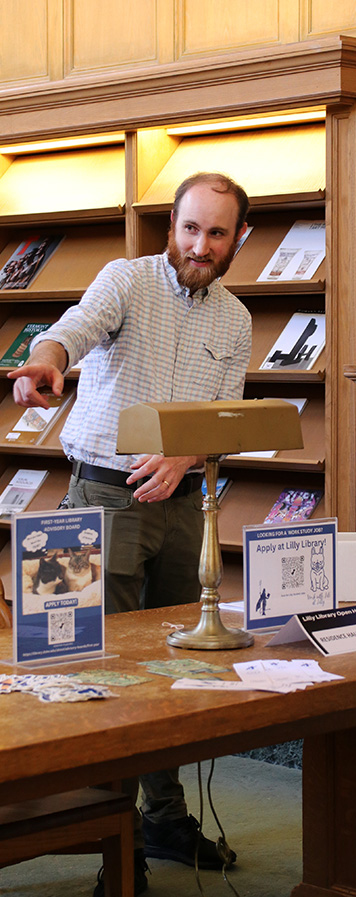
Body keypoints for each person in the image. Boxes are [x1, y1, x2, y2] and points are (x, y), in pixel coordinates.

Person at [9, 171, 252, 896]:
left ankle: (164, 817)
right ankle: (116, 838)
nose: (199, 245)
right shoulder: (126, 279)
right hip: (99, 495)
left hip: (183, 502)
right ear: (168, 228)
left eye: (216, 233)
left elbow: (226, 415)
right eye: (188, 228)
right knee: (94, 669)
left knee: (177, 664)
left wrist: (186, 455)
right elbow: (72, 329)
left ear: (238, 238)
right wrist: (45, 361)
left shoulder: (236, 318)